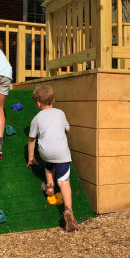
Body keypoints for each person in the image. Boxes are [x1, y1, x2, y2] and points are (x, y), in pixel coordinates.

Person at [26, 85, 79, 232]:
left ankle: (49, 185)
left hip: (45, 153)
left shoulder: (36, 118)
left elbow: (32, 139)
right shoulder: (60, 113)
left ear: (38, 103)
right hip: (61, 154)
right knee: (63, 182)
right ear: (53, 100)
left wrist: (31, 157)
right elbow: (68, 129)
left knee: (49, 163)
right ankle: (68, 210)